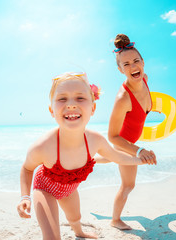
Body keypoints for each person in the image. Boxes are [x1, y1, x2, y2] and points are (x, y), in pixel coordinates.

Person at [16, 72, 156, 239]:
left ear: (93, 108)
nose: (71, 105)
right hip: (45, 188)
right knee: (52, 237)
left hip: (69, 189)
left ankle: (79, 232)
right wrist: (25, 197)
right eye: (62, 99)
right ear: (51, 110)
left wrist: (140, 160)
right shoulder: (43, 146)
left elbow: (116, 157)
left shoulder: (95, 140)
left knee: (75, 218)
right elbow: (26, 168)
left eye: (80, 98)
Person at [108, 34, 157, 230]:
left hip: (131, 140)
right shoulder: (122, 98)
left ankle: (88, 160)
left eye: (136, 61)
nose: (133, 66)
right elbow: (112, 136)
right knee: (128, 185)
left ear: (143, 62)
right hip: (124, 144)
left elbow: (144, 105)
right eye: (126, 64)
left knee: (107, 157)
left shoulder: (144, 79)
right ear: (120, 69)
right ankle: (115, 220)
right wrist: (138, 151)